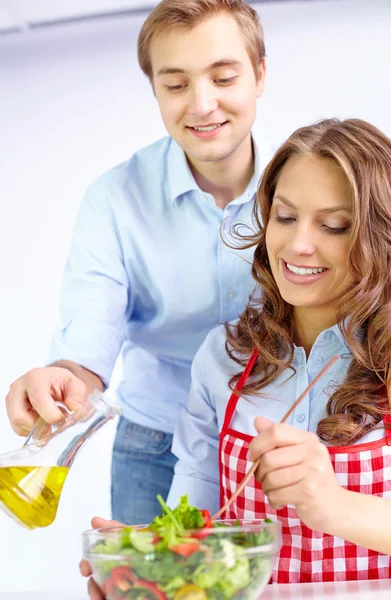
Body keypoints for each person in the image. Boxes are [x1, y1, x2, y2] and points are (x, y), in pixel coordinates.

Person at [82, 117, 391, 595]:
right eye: (285, 217)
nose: (298, 245)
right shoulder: (224, 357)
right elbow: (197, 527)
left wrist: (335, 506)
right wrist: (149, 568)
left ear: (383, 236)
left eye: (334, 225)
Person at [4, 0, 271, 525]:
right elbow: (89, 333)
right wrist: (61, 378)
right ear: (155, 91)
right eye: (175, 85)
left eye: (223, 77)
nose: (202, 104)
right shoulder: (114, 199)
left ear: (259, 74)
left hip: (275, 444)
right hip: (156, 445)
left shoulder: (307, 189)